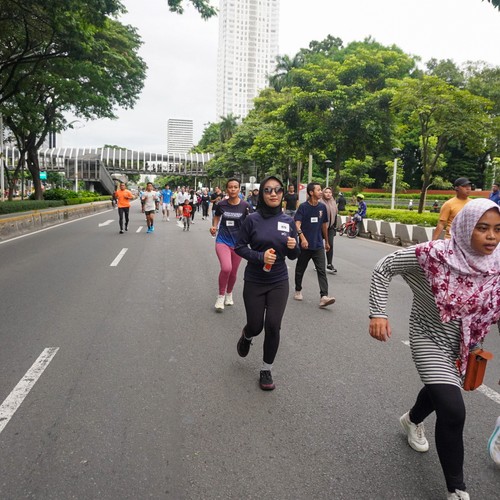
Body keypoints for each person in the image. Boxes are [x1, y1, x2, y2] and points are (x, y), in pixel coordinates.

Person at [368, 198, 500, 500]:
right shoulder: (434, 254)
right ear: (466, 227)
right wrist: (378, 312)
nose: (492, 236)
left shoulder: (497, 264)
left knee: (442, 389)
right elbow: (384, 267)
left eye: (498, 229)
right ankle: (457, 489)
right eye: (483, 228)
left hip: (468, 345)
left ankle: (411, 420)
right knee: (452, 410)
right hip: (430, 338)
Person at [235, 176, 300, 390]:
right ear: (261, 194)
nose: (273, 194)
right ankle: (247, 335)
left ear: (283, 194)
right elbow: (239, 247)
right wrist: (260, 256)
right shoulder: (252, 220)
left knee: (273, 325)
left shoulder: (288, 221)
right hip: (255, 280)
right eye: (268, 190)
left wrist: (293, 246)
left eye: (278, 190)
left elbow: (294, 255)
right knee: (256, 326)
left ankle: (266, 369)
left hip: (278, 280)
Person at [210, 178, 252, 311]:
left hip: (238, 244)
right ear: (226, 189)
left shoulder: (245, 206)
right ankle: (221, 296)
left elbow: (251, 222)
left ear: (239, 189)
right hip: (222, 240)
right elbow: (217, 216)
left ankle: (229, 293)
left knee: (233, 272)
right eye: (230, 187)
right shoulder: (221, 204)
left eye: (235, 187)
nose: (233, 189)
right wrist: (214, 226)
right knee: (226, 268)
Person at [293, 182, 335, 308]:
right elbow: (297, 224)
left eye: (321, 190)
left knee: (321, 270)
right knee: (300, 269)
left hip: (318, 245)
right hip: (305, 246)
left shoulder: (322, 207)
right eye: (318, 190)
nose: (321, 192)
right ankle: (298, 290)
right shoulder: (303, 207)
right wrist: (302, 239)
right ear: (311, 192)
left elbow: (324, 225)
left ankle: (324, 296)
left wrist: (326, 241)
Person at [321, 187, 338, 274]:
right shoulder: (320, 202)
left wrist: (334, 227)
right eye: (326, 192)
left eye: (330, 192)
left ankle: (329, 264)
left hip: (330, 227)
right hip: (320, 228)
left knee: (330, 244)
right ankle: (319, 263)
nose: (328, 194)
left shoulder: (333, 202)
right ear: (323, 193)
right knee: (318, 246)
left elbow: (335, 215)